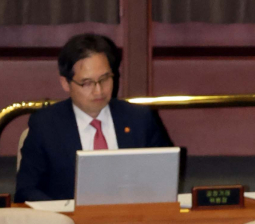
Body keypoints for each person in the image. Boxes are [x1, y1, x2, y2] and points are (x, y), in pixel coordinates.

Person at [14, 34, 173, 205]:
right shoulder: (45, 125)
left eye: (104, 79)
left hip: (132, 219)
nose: (99, 91)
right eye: (87, 83)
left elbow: (166, 175)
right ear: (66, 83)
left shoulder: (139, 119)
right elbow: (26, 191)